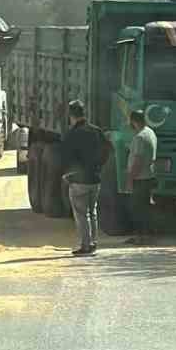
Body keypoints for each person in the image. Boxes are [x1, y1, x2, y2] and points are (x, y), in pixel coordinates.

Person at [59, 100, 112, 256]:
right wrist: (99, 166)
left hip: (78, 181)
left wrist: (67, 174)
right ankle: (93, 243)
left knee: (81, 214)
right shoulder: (96, 131)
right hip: (95, 179)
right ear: (84, 113)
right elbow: (107, 150)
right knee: (92, 212)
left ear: (71, 115)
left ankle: (85, 245)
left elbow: (65, 157)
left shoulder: (71, 134)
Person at [124, 110, 158, 245]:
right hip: (149, 176)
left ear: (133, 121)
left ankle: (140, 237)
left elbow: (138, 160)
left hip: (140, 178)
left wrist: (130, 179)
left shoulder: (140, 137)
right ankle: (144, 235)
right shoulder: (151, 132)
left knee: (137, 209)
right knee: (144, 208)